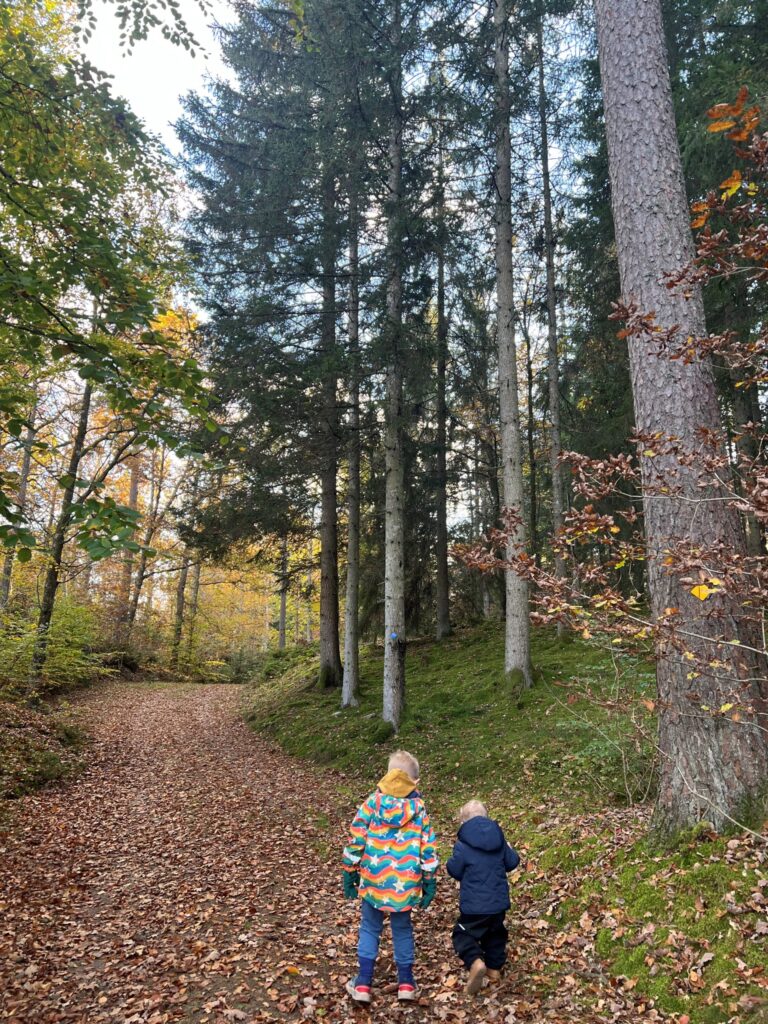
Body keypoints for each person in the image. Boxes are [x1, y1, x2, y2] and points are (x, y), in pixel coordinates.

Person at [341, 749, 439, 1004]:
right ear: (415, 782)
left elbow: (356, 838)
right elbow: (428, 847)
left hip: (374, 879)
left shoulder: (372, 803)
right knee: (402, 929)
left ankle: (363, 983)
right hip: (404, 884)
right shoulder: (419, 809)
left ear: (387, 776)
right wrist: (429, 878)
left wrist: (349, 870)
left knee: (370, 928)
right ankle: (406, 983)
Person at [446, 799, 520, 995]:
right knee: (496, 934)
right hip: (498, 904)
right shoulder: (499, 839)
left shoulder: (463, 844)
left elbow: (454, 870)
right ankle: (494, 971)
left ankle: (475, 961)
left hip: (474, 906)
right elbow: (512, 863)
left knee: (463, 934)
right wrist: (509, 848)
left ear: (463, 822)